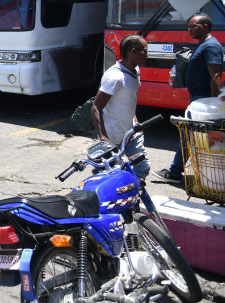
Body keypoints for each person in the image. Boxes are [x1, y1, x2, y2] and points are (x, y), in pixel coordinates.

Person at [155, 14, 223, 182]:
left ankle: (175, 171)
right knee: (192, 136)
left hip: (203, 100)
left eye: (193, 26)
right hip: (199, 97)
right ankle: (186, 171)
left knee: (189, 135)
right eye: (189, 26)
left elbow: (215, 75)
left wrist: (212, 101)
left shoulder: (211, 46)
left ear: (206, 26)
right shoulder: (204, 45)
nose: (189, 29)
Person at [91, 35, 151, 180]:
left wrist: (134, 119)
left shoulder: (135, 70)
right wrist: (104, 138)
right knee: (107, 175)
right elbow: (96, 108)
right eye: (144, 51)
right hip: (113, 136)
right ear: (133, 51)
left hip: (131, 133)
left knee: (142, 167)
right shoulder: (115, 77)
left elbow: (128, 98)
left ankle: (134, 194)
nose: (147, 55)